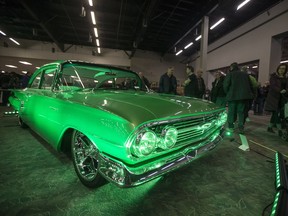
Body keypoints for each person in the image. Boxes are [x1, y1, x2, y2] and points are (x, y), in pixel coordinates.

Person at [223, 62, 254, 134]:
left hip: (232, 96)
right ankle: (241, 127)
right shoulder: (245, 74)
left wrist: (228, 93)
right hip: (242, 97)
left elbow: (225, 85)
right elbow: (250, 85)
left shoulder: (230, 74)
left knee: (231, 112)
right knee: (241, 112)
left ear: (231, 67)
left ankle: (231, 127)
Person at [264, 63, 288, 137]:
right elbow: (273, 86)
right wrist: (280, 90)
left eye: (283, 69)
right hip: (273, 98)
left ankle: (269, 127)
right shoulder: (273, 77)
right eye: (280, 68)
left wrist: (286, 90)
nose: (281, 70)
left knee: (276, 114)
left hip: (282, 99)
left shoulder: (286, 78)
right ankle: (280, 130)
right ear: (278, 69)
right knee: (275, 113)